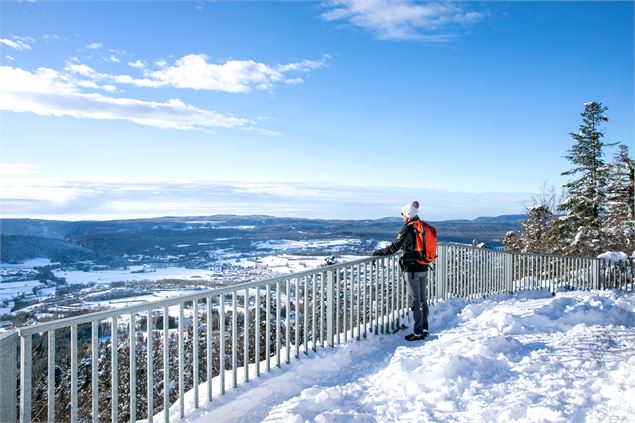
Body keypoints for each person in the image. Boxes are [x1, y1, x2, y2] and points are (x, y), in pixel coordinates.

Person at [372, 201, 429, 341]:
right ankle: (424, 328)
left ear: (408, 214)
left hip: (411, 268)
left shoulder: (407, 229)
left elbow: (394, 248)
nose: (402, 217)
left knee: (415, 300)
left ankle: (418, 332)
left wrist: (378, 253)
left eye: (403, 214)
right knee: (422, 299)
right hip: (423, 266)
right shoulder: (423, 227)